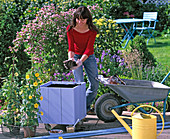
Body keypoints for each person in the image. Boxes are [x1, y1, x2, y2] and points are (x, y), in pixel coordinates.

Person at [66, 6, 99, 113]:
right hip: (75, 55)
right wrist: (71, 60)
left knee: (95, 84)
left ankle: (83, 107)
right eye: (78, 19)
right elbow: (71, 48)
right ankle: (81, 110)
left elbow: (89, 49)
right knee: (79, 85)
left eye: (83, 19)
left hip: (88, 57)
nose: (80, 21)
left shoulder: (92, 31)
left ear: (88, 19)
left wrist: (81, 61)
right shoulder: (70, 29)